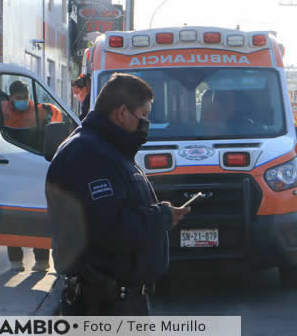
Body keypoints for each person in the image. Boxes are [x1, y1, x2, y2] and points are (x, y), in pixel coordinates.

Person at [45, 73, 191, 315]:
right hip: (102, 304)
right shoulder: (88, 155)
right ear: (122, 113)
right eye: (143, 115)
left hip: (120, 300)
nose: (146, 123)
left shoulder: (109, 151)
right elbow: (109, 228)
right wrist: (163, 216)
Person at [1, 80, 62, 272]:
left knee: (38, 217)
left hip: (35, 169)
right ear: (10, 97)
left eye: (25, 97)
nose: (23, 101)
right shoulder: (1, 111)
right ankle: (15, 262)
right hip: (11, 171)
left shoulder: (42, 111)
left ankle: (42, 261)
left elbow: (59, 128)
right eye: (18, 98)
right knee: (11, 217)